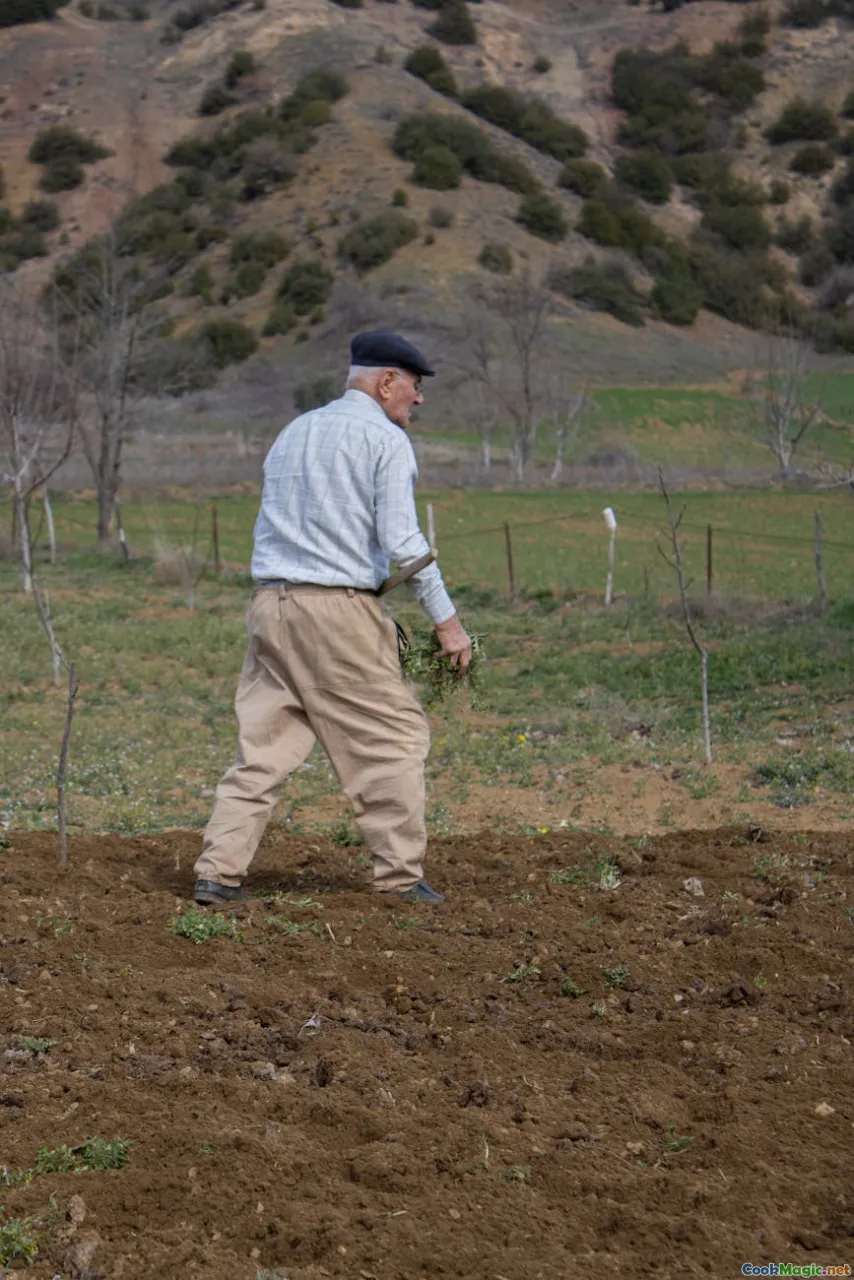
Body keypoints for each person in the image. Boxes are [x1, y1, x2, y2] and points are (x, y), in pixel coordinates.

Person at [193, 331, 472, 908]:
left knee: (263, 749)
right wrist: (447, 622)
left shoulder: (294, 431)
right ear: (386, 382)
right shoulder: (385, 439)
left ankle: (217, 873)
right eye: (414, 386)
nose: (418, 398)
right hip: (337, 611)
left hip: (271, 606)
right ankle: (400, 879)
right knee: (393, 738)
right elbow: (405, 542)